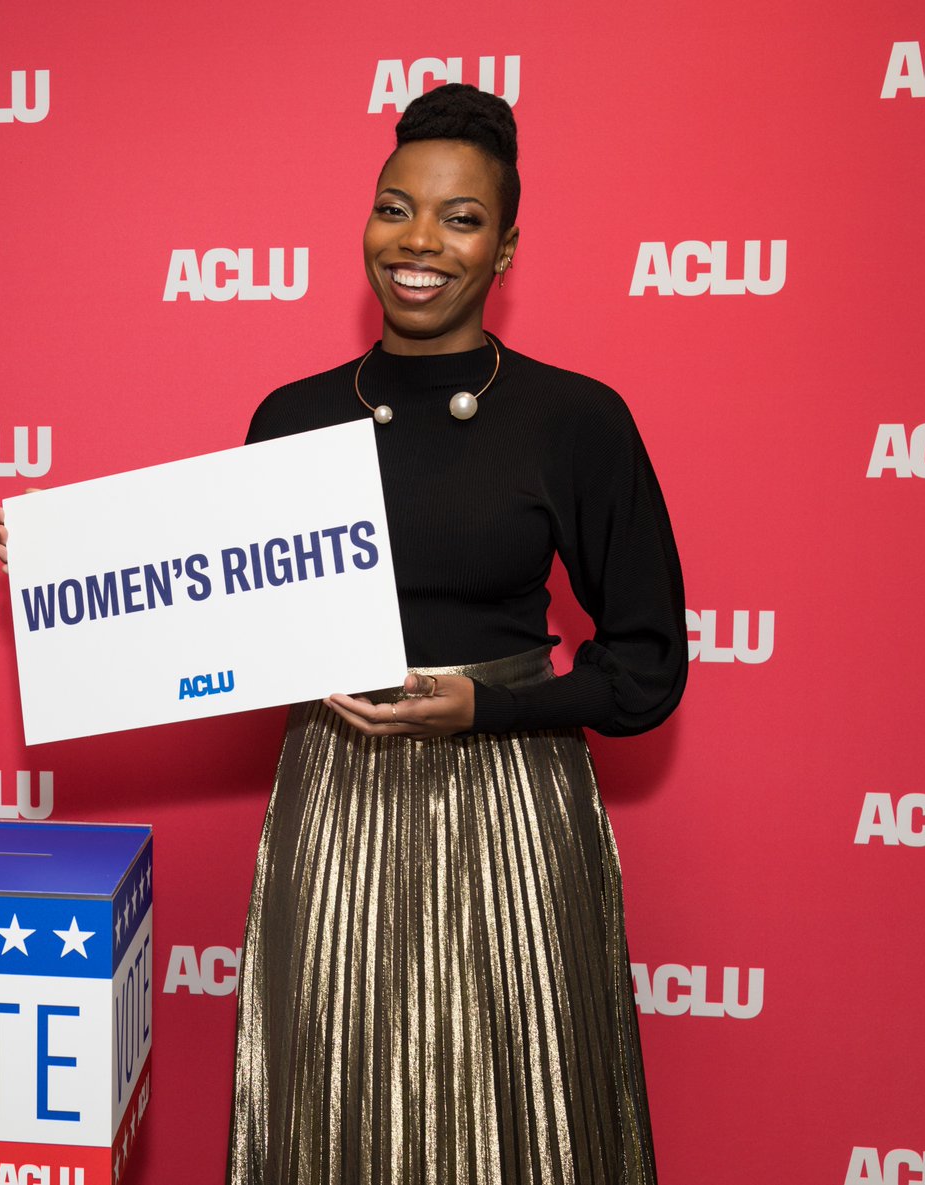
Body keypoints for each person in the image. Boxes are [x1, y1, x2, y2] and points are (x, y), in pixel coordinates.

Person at [226, 84, 686, 1185]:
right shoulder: (289, 417)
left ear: (507, 247)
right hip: (335, 803)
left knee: (520, 1119)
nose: (419, 242)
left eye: (461, 217)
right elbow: (228, 622)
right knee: (335, 1107)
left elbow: (646, 666)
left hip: (512, 806)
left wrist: (490, 706)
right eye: (396, 208)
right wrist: (68, 569)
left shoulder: (576, 419)